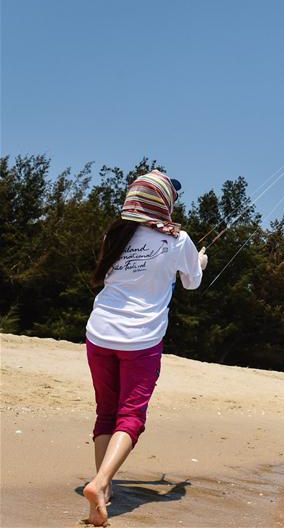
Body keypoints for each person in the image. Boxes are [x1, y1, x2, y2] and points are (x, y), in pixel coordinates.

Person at [82, 170, 207, 526]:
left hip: (99, 332)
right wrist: (199, 262)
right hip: (142, 339)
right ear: (164, 203)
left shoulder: (115, 233)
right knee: (131, 415)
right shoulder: (178, 240)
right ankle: (101, 482)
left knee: (106, 411)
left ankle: (102, 491)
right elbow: (192, 283)